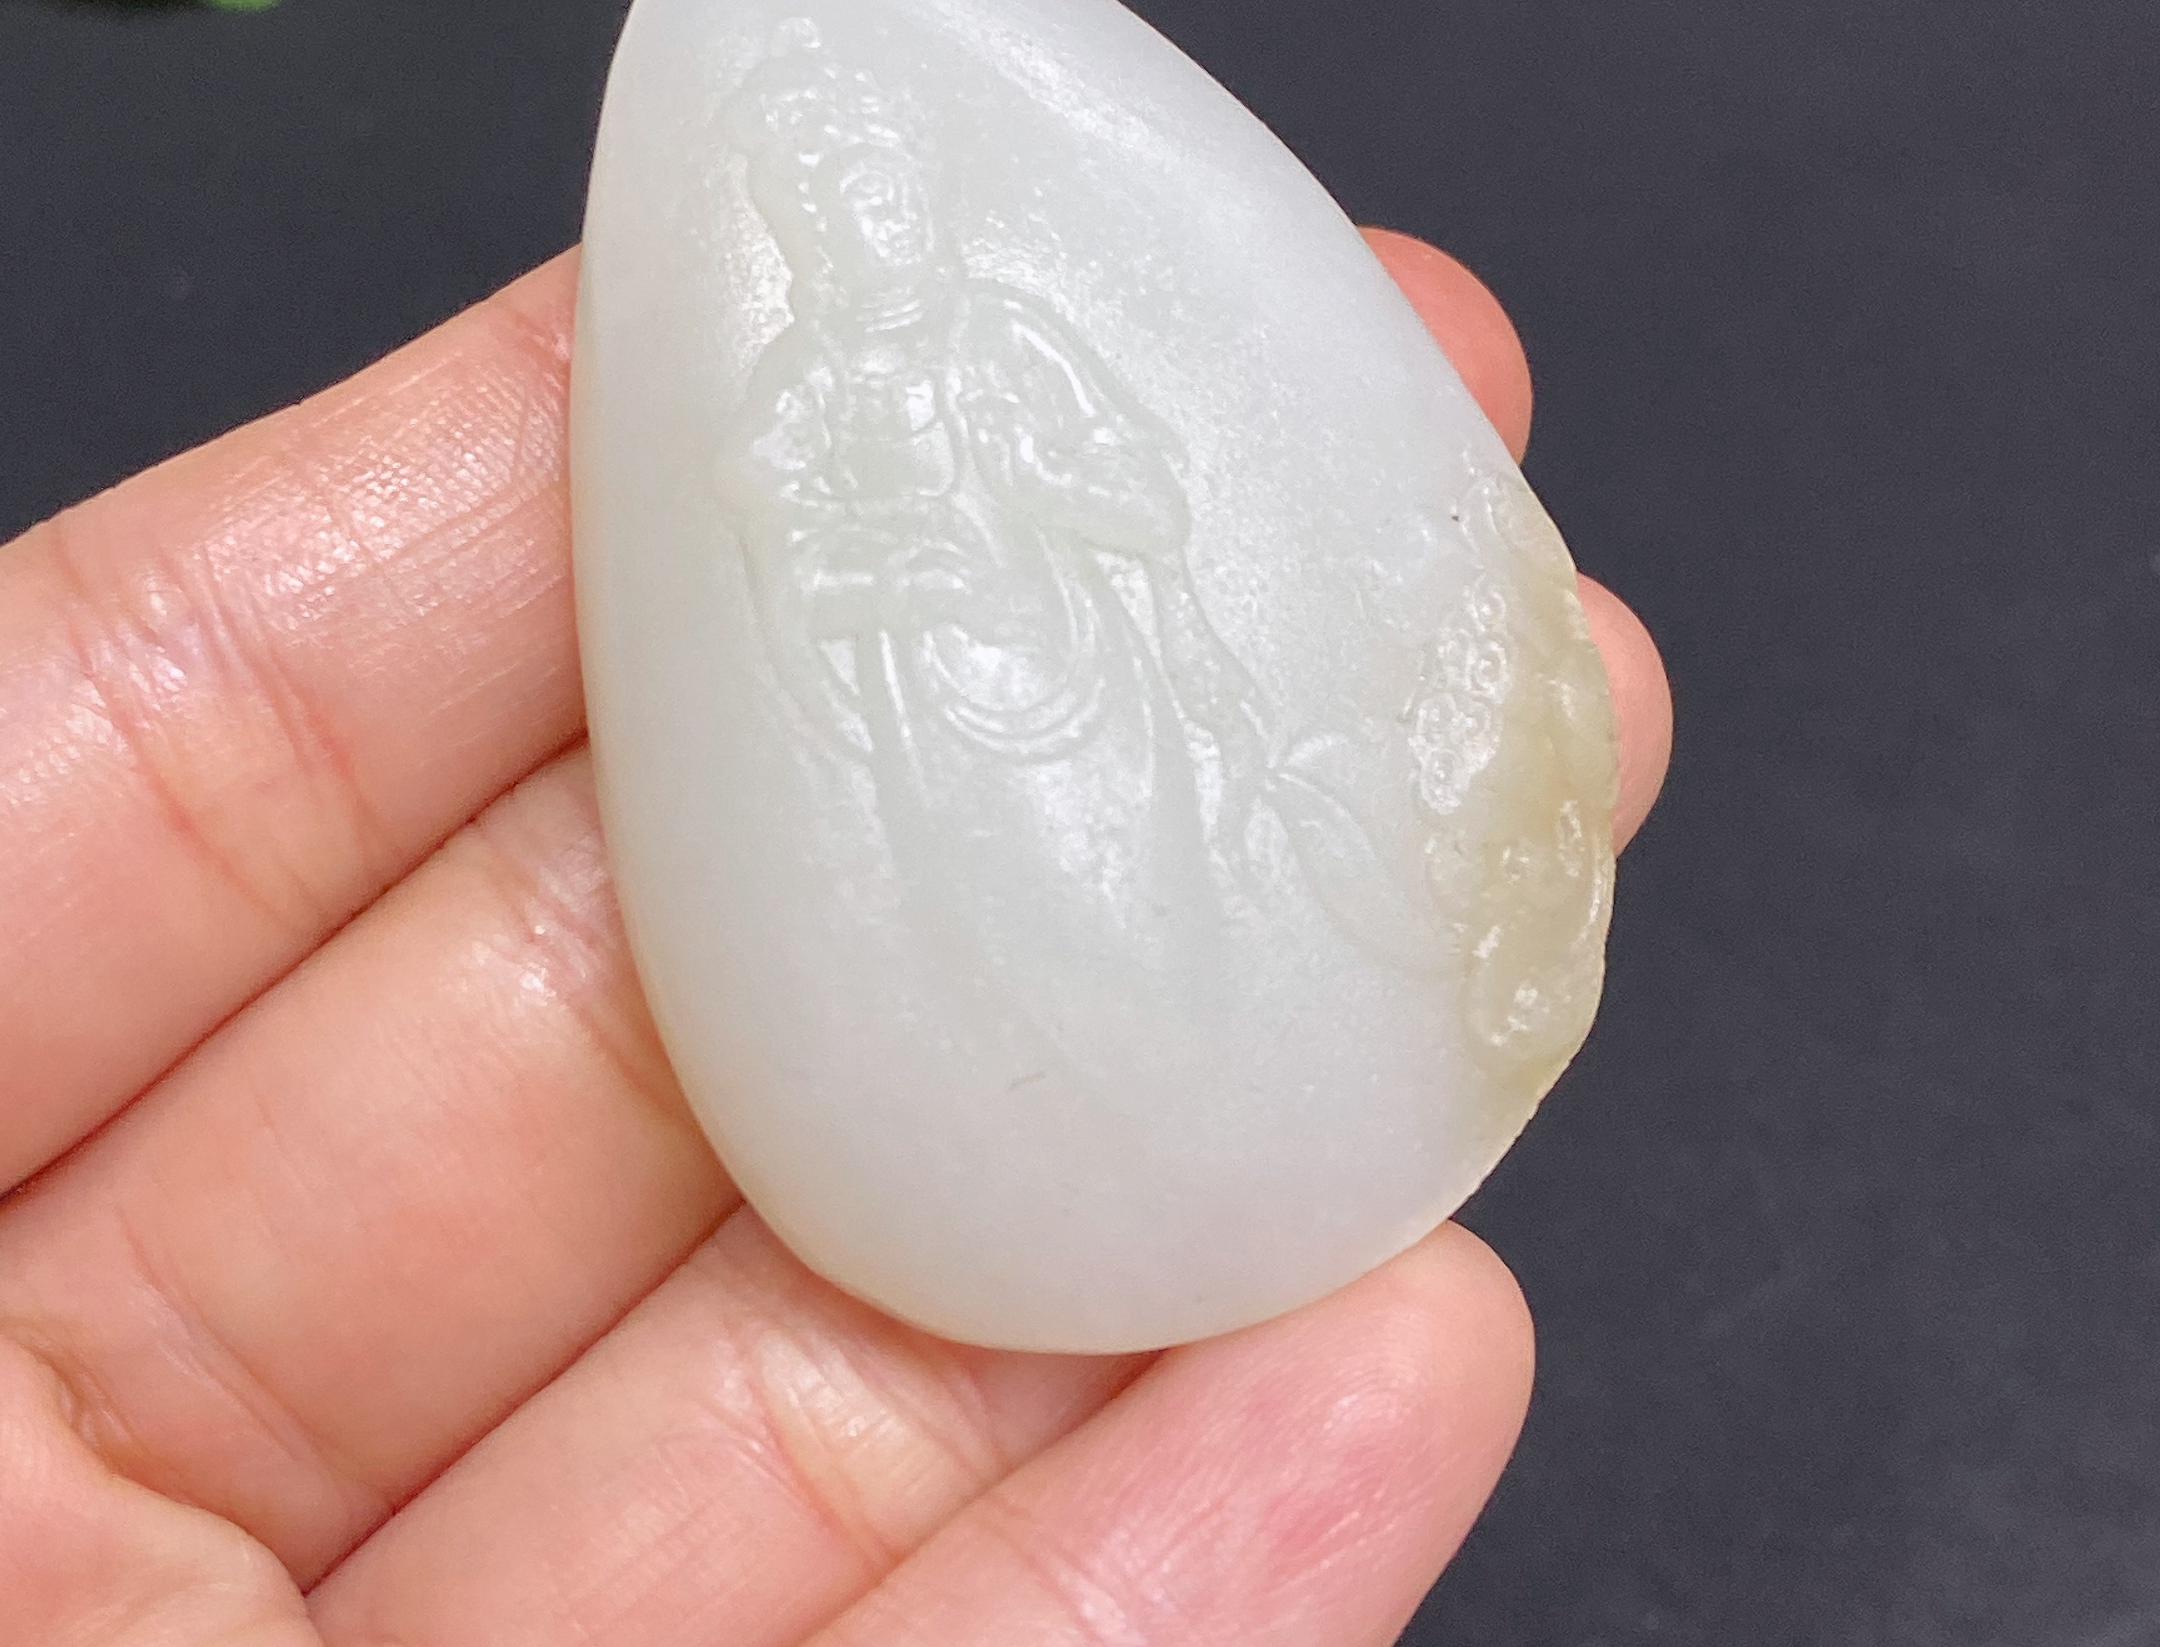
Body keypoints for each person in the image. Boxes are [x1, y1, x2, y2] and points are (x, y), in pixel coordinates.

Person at [0, 230, 1671, 1644]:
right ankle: (1081, 1114)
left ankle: (1189, 1081)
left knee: (1158, 932)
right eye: (826, 202)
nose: (860, 228)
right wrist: (873, 570)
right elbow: (777, 530)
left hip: (1086, 690)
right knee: (1004, 958)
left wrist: (1028, 498)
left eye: (875, 193)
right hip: (931, 736)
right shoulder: (797, 381)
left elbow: (1139, 488)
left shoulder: (1008, 334)